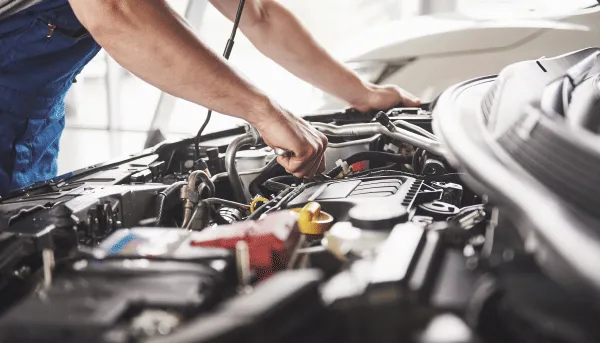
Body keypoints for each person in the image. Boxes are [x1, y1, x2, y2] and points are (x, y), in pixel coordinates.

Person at [0, 0, 420, 196]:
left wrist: (363, 94)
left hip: (29, 119)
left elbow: (259, 14)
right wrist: (263, 111)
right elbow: (117, 10)